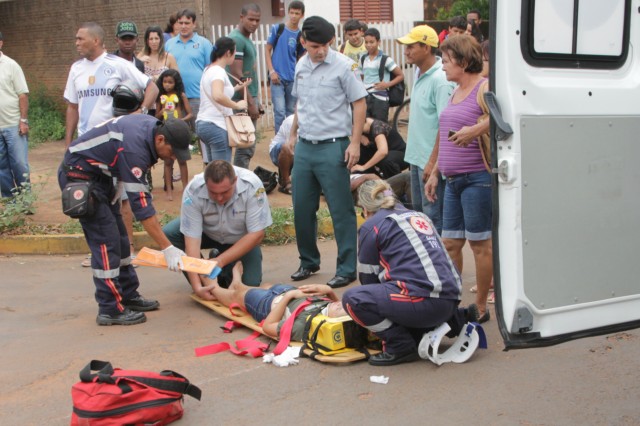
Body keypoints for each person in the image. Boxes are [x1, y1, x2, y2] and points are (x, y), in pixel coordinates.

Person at [58, 115, 192, 325]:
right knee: (106, 241)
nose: (173, 157)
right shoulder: (135, 148)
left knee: (120, 238)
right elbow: (142, 207)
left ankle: (127, 295)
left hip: (100, 177)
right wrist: (167, 247)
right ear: (160, 140)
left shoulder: (150, 131)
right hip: (80, 177)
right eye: (172, 152)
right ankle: (110, 308)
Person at [342, 179, 477, 366]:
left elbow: (368, 279)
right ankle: (454, 320)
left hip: (424, 303)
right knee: (405, 292)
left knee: (354, 300)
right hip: (451, 298)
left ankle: (399, 345)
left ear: (365, 208)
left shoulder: (371, 225)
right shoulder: (419, 216)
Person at [284, 16, 367, 289]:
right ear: (303, 42)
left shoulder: (345, 66)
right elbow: (301, 104)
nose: (320, 50)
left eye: (325, 45)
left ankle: (346, 268)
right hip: (306, 147)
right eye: (315, 45)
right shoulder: (301, 65)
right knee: (302, 208)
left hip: (334, 146)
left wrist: (354, 143)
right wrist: (293, 133)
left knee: (340, 209)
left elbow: (359, 104)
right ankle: (308, 261)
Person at [425, 35, 492, 323]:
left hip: (477, 179)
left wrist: (474, 131)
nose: (442, 67)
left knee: (479, 244)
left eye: (447, 61)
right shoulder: (454, 91)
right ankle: (452, 304)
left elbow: (507, 117)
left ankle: (480, 307)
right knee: (450, 243)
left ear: (463, 62)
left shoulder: (484, 87)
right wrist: (436, 172)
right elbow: (447, 137)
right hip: (452, 181)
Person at [163, 160, 272, 296]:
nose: (219, 198)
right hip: (208, 234)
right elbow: (192, 241)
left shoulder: (252, 186)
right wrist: (197, 286)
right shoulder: (194, 190)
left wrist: (220, 261)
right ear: (205, 183)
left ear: (235, 181)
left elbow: (257, 234)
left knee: (249, 286)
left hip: (240, 240)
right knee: (170, 233)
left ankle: (220, 260)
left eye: (225, 192)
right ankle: (208, 272)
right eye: (213, 192)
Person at [396, 25, 454, 235]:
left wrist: (432, 163)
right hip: (417, 159)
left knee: (434, 218)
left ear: (427, 48)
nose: (406, 51)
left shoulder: (440, 80)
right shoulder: (421, 74)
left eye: (411, 46)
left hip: (430, 163)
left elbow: (446, 125)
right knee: (422, 216)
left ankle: (439, 264)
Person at [64, 22, 158, 146]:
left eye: (80, 39)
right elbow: (72, 107)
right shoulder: (76, 68)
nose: (77, 43)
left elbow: (153, 88)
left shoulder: (118, 64)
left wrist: (141, 111)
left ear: (95, 40)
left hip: (113, 139)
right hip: (85, 141)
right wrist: (68, 143)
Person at [209, 263, 349, 340]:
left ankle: (210, 283)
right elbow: (337, 308)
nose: (338, 303)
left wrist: (289, 296)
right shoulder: (332, 308)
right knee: (266, 286)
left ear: (331, 322)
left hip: (268, 305)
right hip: (288, 292)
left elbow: (268, 327)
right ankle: (237, 283)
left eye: (338, 308)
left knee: (236, 296)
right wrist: (329, 291)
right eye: (342, 304)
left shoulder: (305, 325)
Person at [165, 9, 213, 161]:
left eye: (187, 23)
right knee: (175, 134)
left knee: (202, 133)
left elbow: (210, 68)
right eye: (181, 23)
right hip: (174, 98)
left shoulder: (204, 44)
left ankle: (207, 165)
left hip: (198, 96)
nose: (183, 26)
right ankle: (177, 167)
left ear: (194, 24)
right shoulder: (169, 44)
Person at [197, 37, 250, 164]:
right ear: (228, 53)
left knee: (212, 168)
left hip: (203, 123)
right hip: (216, 125)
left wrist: (239, 87)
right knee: (222, 170)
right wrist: (236, 105)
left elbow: (218, 91)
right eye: (234, 53)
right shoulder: (218, 72)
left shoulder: (209, 69)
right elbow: (218, 95)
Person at [228, 3, 262, 169]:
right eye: (250, 19)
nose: (254, 23)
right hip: (240, 99)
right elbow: (236, 73)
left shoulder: (244, 38)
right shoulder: (237, 39)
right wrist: (250, 102)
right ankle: (239, 179)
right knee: (245, 144)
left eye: (257, 20)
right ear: (241, 18)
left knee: (247, 143)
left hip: (247, 96)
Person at [265, 0, 305, 133]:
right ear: (288, 13)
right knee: (279, 111)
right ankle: (278, 143)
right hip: (277, 77)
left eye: (297, 13)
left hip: (292, 78)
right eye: (292, 13)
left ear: (302, 15)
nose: (293, 16)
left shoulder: (300, 35)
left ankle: (289, 141)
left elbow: (300, 58)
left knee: (291, 112)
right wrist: (271, 71)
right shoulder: (278, 29)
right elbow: (267, 50)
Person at [0, 31, 31, 199]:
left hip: (13, 125)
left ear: (1, 43)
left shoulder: (11, 65)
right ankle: (10, 201)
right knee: (1, 167)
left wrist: (23, 121)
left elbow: (22, 95)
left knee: (20, 164)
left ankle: (26, 200)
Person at [155, 69, 192, 201]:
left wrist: (181, 121)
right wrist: (162, 112)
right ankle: (169, 190)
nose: (167, 85)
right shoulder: (161, 97)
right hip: (166, 131)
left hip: (179, 131)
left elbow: (190, 113)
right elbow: (156, 116)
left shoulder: (181, 96)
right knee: (168, 161)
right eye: (165, 82)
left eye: (170, 82)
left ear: (176, 83)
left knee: (182, 160)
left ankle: (185, 187)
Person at [360, 28, 404, 123]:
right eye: (366, 42)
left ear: (378, 42)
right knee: (365, 127)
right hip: (365, 98)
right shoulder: (363, 58)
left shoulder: (385, 59)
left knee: (380, 128)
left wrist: (386, 85)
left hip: (380, 99)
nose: (368, 45)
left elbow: (400, 75)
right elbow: (361, 76)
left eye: (372, 42)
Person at [268, 114, 294, 194]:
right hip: (278, 151)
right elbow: (291, 146)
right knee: (286, 147)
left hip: (298, 152)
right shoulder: (291, 121)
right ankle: (285, 182)